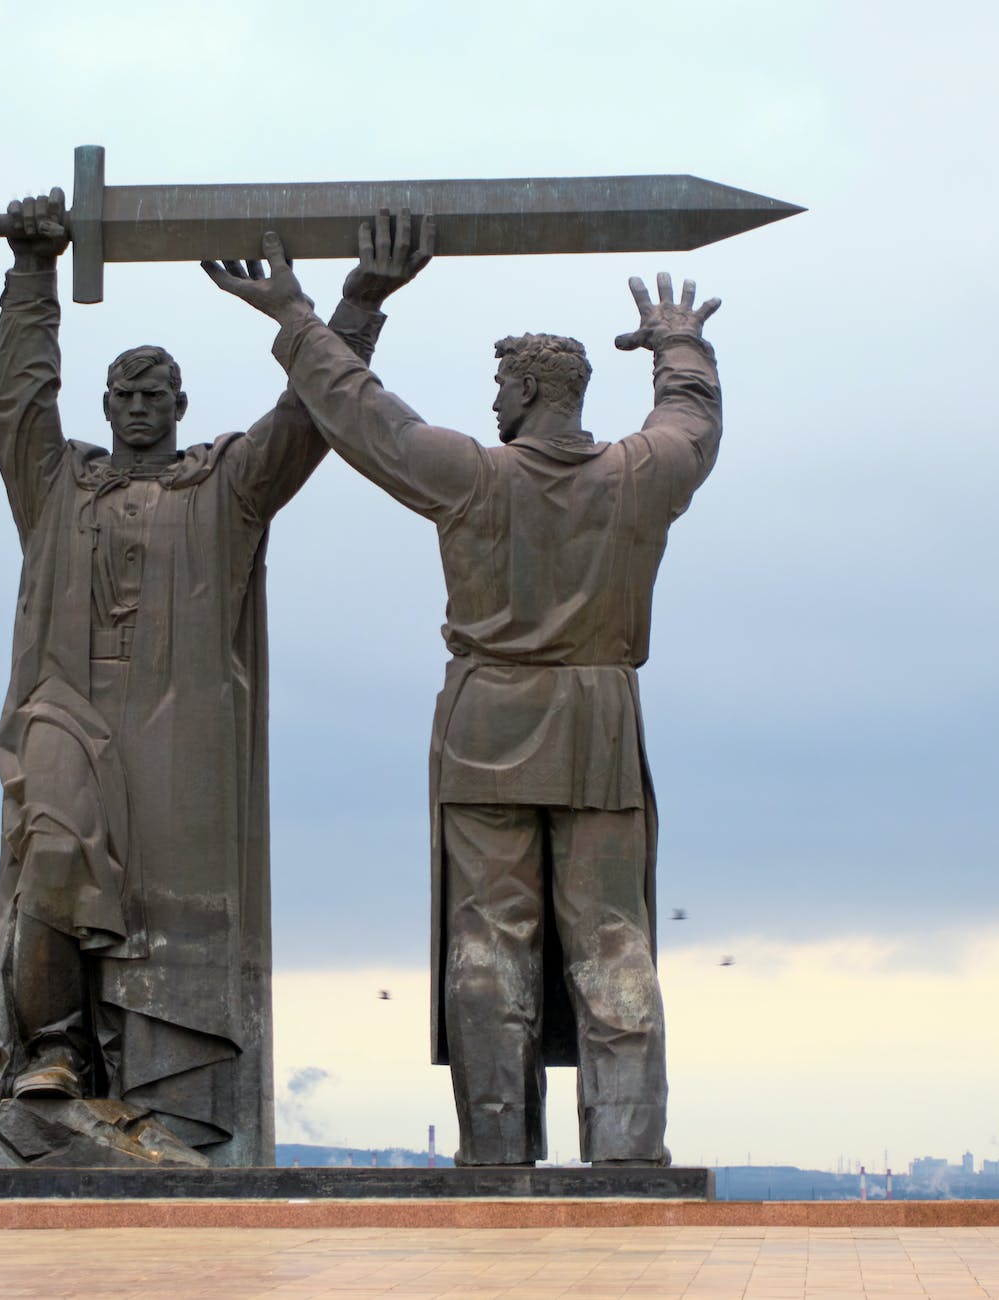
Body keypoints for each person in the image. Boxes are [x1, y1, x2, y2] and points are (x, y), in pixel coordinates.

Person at [206, 230, 721, 1166]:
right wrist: (678, 344)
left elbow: (362, 415)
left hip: (487, 722)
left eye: (501, 389)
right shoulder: (641, 475)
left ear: (528, 391)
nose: (492, 404)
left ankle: (493, 1151)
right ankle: (627, 1154)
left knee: (488, 943)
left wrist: (296, 317)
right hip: (598, 721)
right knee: (613, 941)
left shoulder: (472, 475)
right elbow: (692, 421)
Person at [0, 193, 431, 1166]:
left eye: (157, 394)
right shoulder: (56, 484)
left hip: (179, 738)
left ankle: (160, 1103)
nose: (140, 407)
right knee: (50, 847)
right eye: (125, 394)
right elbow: (17, 402)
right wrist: (31, 275)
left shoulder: (226, 483)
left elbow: (307, 421)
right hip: (63, 711)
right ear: (106, 406)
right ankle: (51, 1053)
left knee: (168, 918)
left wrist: (356, 307)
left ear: (180, 406)